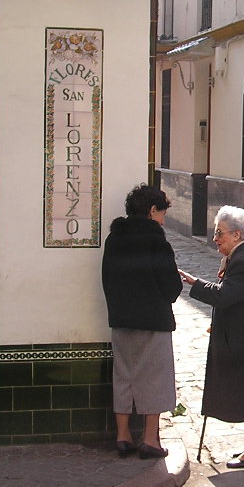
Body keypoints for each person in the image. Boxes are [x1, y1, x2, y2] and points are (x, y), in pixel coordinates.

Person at [178, 205, 244, 468]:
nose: (215, 239)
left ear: (237, 235)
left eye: (220, 234)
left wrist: (196, 284)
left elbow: (226, 295)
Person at [101, 184, 183, 459]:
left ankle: (123, 436)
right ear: (152, 210)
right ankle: (150, 439)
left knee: (123, 376)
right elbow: (172, 288)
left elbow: (107, 280)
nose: (163, 219)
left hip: (121, 320)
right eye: (162, 213)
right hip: (153, 321)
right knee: (154, 378)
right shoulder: (157, 242)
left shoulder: (114, 240)